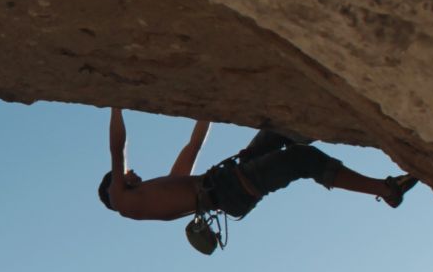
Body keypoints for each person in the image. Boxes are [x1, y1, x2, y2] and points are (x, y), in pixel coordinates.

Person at [97, 107, 416, 252]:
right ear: (114, 188)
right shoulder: (123, 202)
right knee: (301, 159)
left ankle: (331, 115)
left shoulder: (163, 187)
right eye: (125, 174)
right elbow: (117, 149)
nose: (132, 172)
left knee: (276, 131)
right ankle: (385, 189)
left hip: (227, 180)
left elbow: (193, 145)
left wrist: (208, 110)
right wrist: (116, 105)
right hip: (229, 188)